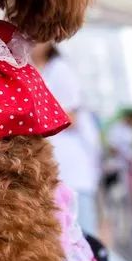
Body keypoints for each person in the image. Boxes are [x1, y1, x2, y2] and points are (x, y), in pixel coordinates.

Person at [32, 44, 101, 235]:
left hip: (73, 173)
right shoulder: (36, 69)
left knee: (85, 242)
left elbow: (70, 117)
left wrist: (30, 118)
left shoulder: (59, 69)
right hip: (54, 173)